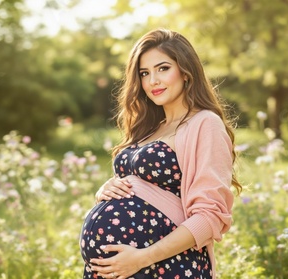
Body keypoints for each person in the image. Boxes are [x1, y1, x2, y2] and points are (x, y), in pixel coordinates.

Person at [79, 28, 242, 279]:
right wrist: (106, 191)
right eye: (145, 73)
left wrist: (142, 258)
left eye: (163, 68)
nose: (152, 80)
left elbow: (210, 216)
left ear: (186, 72)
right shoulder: (149, 127)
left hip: (163, 267)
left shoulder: (204, 124)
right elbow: (144, 189)